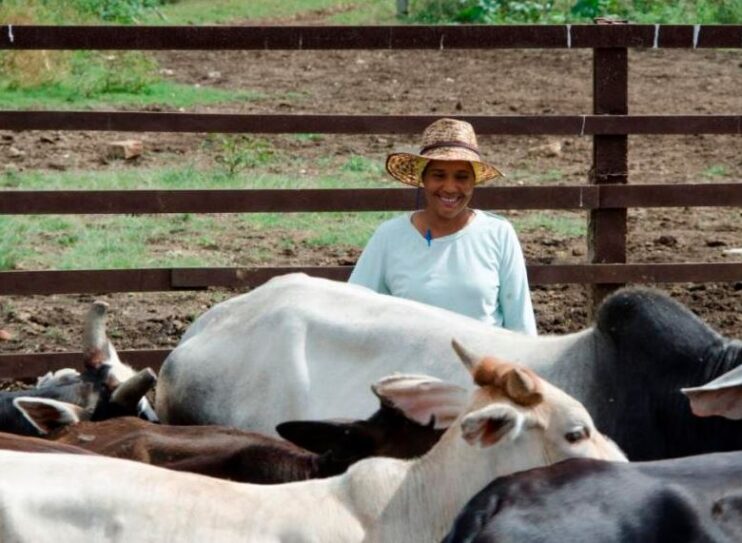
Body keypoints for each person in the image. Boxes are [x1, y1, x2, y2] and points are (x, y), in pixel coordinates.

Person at [348, 118, 537, 336]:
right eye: (438, 175)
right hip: (412, 367)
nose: (449, 187)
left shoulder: (498, 233)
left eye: (461, 177)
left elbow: (520, 324)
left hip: (481, 366)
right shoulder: (390, 236)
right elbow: (355, 309)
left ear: (473, 181)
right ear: (423, 179)